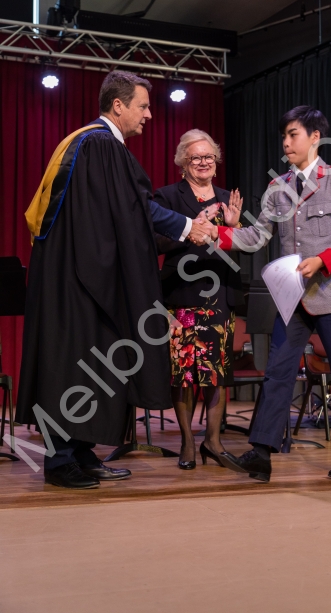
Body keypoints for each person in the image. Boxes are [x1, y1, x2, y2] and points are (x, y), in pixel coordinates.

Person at [15, 71, 213, 489]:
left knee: (91, 363)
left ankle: (81, 452)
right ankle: (60, 461)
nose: (149, 115)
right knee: (76, 365)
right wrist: (187, 226)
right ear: (118, 105)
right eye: (143, 106)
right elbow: (134, 207)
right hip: (82, 281)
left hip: (79, 275)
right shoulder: (101, 144)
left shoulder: (81, 143)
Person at [205, 105, 331, 483]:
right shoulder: (277, 188)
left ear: (315, 137)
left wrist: (323, 260)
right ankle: (261, 452)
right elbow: (257, 236)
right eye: (284, 136)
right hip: (293, 298)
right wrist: (216, 234)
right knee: (278, 372)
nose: (286, 142)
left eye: (293, 134)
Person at [154, 129, 244, 469]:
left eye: (209, 157)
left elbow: (241, 246)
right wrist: (190, 228)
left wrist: (232, 228)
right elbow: (155, 242)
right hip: (182, 294)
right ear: (183, 163)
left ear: (216, 162)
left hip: (219, 293)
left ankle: (213, 441)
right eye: (196, 157)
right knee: (185, 372)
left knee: (216, 372)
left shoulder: (227, 197)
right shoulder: (167, 197)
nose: (203, 162)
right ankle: (188, 444)